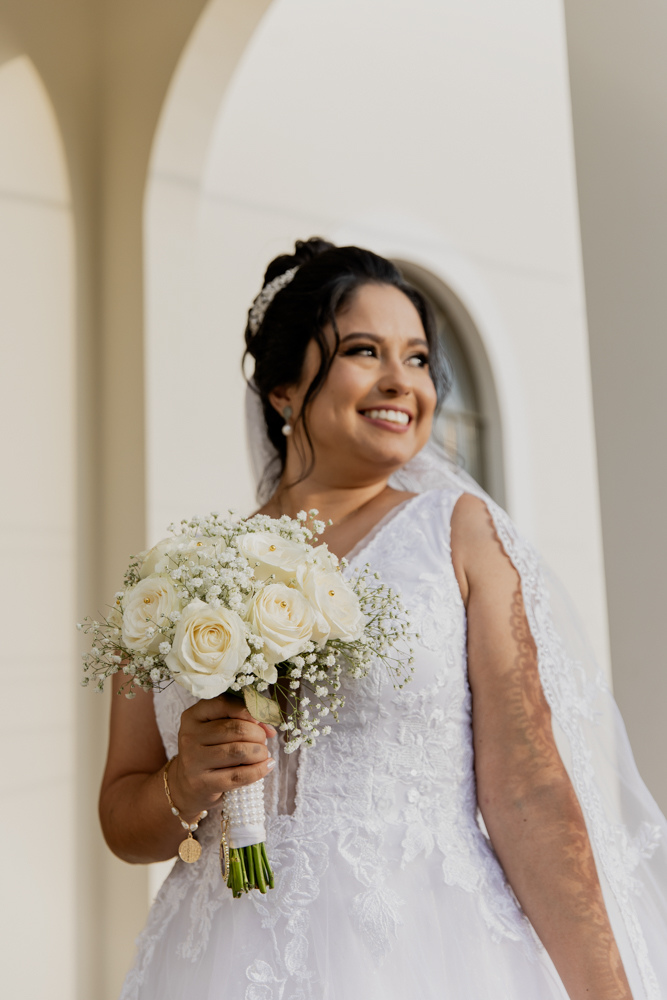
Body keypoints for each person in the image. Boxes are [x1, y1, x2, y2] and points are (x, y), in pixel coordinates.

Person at [101, 238, 667, 1000]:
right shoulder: (176, 581)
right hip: (219, 961)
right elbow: (122, 817)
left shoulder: (458, 536)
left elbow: (527, 793)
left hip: (425, 950)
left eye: (419, 358)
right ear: (282, 391)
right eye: (364, 351)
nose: (401, 380)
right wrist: (186, 779)